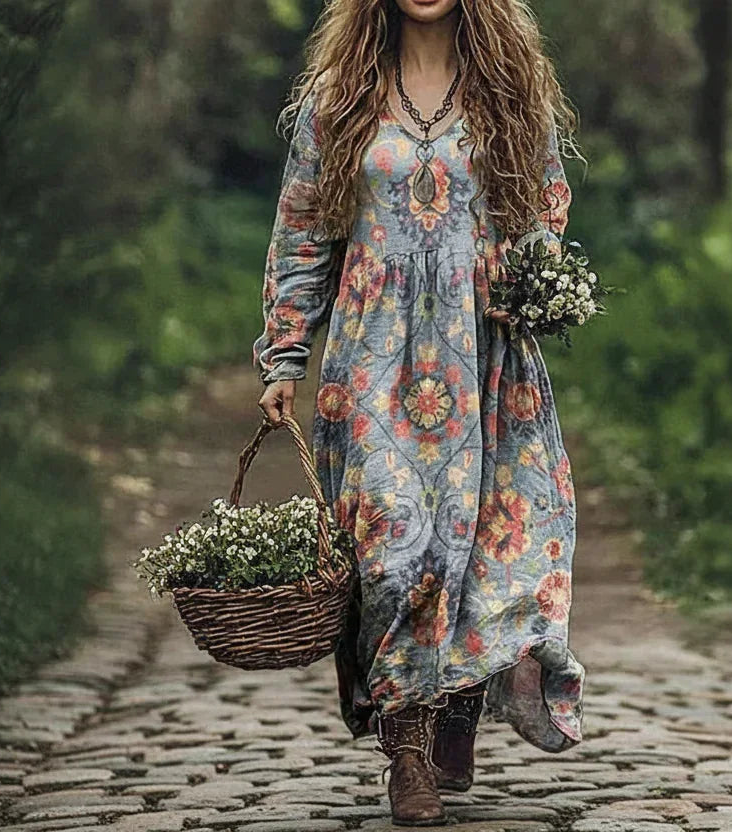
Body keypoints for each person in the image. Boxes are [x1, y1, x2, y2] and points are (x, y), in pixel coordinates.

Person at [251, 0, 584, 824]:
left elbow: (544, 206)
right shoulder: (340, 95)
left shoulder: (510, 91)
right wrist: (285, 353)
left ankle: (450, 704)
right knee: (394, 542)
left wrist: (536, 284)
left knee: (465, 544)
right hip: (369, 358)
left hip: (480, 357)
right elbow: (302, 232)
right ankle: (407, 743)